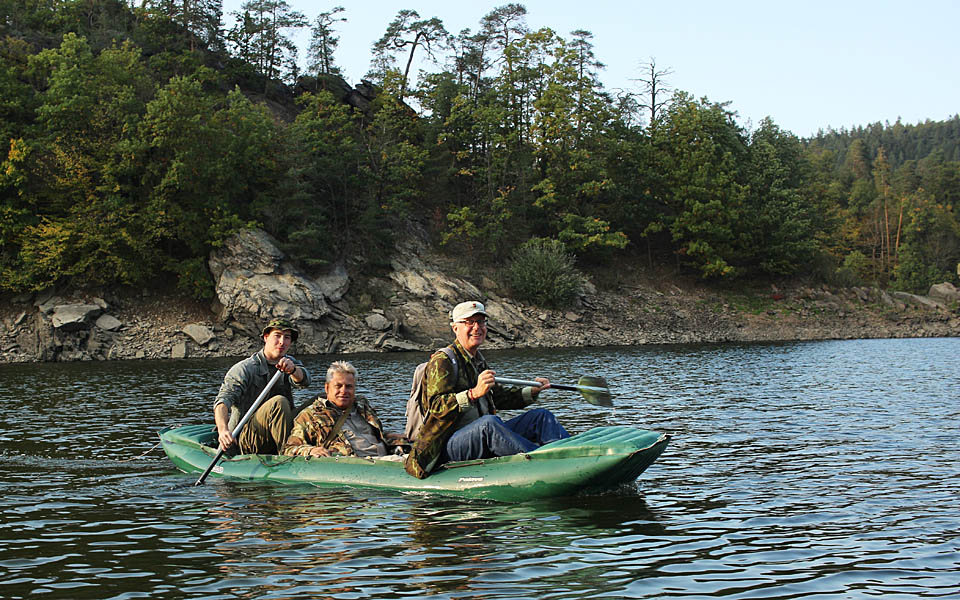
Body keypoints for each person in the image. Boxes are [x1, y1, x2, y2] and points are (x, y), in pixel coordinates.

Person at [404, 301, 570, 478]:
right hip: (444, 446)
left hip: (478, 437)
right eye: (469, 322)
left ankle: (571, 456)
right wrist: (473, 394)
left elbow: (498, 398)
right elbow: (436, 407)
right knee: (489, 424)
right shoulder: (442, 361)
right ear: (455, 328)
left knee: (541, 416)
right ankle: (545, 465)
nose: (477, 328)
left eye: (481, 322)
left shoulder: (478, 360)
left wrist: (532, 392)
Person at [213, 318, 311, 455]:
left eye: (287, 337)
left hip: (278, 428)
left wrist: (293, 370)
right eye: (277, 336)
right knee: (279, 402)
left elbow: (305, 380)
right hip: (248, 438)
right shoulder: (244, 369)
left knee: (323, 400)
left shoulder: (290, 362)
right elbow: (222, 402)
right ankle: (289, 453)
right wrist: (223, 430)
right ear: (266, 338)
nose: (282, 342)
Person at [283, 361, 405, 458]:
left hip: (388, 458)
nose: (344, 391)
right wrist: (311, 450)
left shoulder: (363, 407)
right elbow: (288, 449)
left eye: (349, 387)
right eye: (338, 386)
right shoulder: (310, 415)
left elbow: (369, 436)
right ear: (327, 388)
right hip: (357, 464)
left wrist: (390, 436)